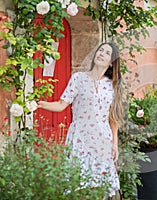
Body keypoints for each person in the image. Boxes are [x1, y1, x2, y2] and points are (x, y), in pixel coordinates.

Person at [37, 42, 124, 197]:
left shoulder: (112, 85)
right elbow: (61, 104)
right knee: (79, 184)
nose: (101, 53)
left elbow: (113, 118)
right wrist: (40, 104)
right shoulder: (78, 78)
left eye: (107, 53)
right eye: (100, 50)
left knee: (101, 185)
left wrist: (115, 144)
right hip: (79, 138)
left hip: (102, 139)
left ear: (111, 62)